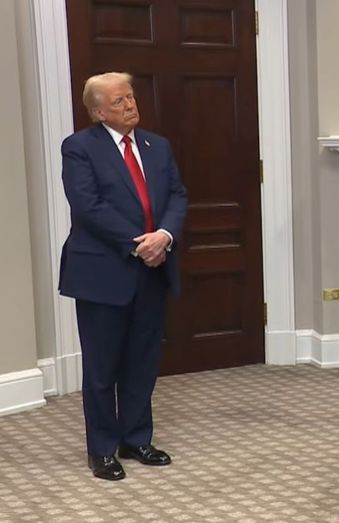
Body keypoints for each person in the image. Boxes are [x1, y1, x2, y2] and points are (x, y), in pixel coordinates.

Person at [59, 72, 188, 481]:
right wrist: (139, 243)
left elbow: (177, 195)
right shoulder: (79, 148)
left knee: (142, 361)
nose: (130, 105)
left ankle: (136, 439)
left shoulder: (157, 146)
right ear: (99, 112)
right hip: (103, 271)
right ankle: (102, 449)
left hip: (153, 269)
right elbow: (87, 205)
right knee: (102, 367)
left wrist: (164, 236)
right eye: (119, 101)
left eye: (130, 97)